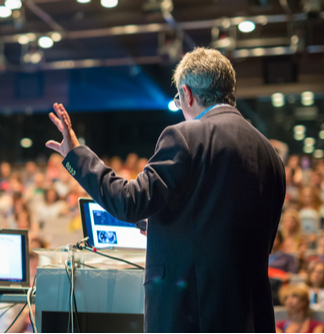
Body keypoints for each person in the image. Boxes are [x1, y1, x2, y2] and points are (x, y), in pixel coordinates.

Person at [45, 47, 286, 332]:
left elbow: (128, 202)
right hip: (251, 319)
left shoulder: (186, 135)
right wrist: (164, 225)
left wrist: (76, 154)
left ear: (187, 93)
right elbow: (235, 233)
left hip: (190, 316)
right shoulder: (270, 154)